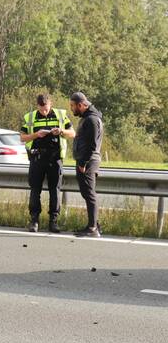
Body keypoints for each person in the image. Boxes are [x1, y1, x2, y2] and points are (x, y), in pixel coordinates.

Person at [20, 94, 74, 232]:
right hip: (37, 157)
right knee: (35, 189)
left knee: (55, 190)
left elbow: (72, 133)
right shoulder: (30, 117)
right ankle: (34, 221)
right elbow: (22, 138)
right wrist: (36, 135)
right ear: (37, 105)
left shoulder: (60, 115)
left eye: (46, 108)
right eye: (41, 109)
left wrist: (61, 131)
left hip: (55, 159)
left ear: (51, 104)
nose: (44, 111)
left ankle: (53, 222)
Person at [70, 91, 104, 237]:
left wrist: (83, 162)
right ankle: (94, 224)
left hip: (89, 161)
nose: (71, 109)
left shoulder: (91, 120)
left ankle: (92, 228)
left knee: (89, 194)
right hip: (86, 160)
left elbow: (92, 145)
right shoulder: (87, 117)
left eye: (73, 106)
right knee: (87, 193)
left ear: (81, 105)